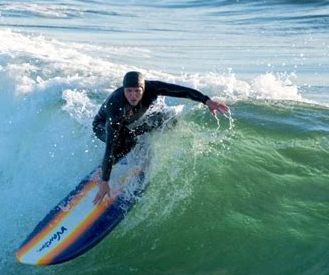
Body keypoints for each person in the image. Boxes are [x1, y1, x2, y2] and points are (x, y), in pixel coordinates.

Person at [92, 71, 230, 205]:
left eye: (137, 91)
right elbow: (110, 144)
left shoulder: (152, 88)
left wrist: (206, 101)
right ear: (124, 90)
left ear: (143, 88)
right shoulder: (116, 105)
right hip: (101, 125)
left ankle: (133, 140)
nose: (133, 96)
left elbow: (182, 91)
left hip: (128, 121)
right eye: (129, 91)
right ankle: (102, 171)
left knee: (165, 118)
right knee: (129, 140)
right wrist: (105, 180)